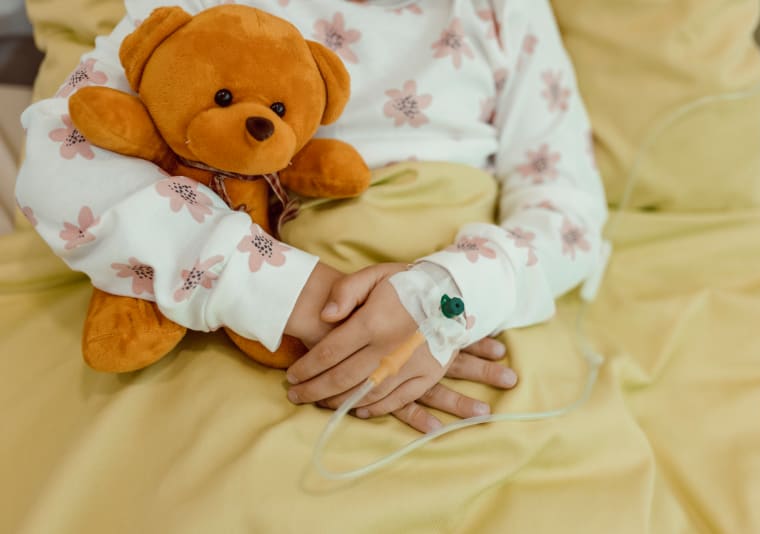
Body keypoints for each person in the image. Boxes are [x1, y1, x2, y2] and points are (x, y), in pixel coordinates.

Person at [15, 0, 607, 433]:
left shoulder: (503, 12)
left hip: (465, 333)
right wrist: (295, 294)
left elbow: (570, 209)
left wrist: (443, 297)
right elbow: (64, 151)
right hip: (239, 321)